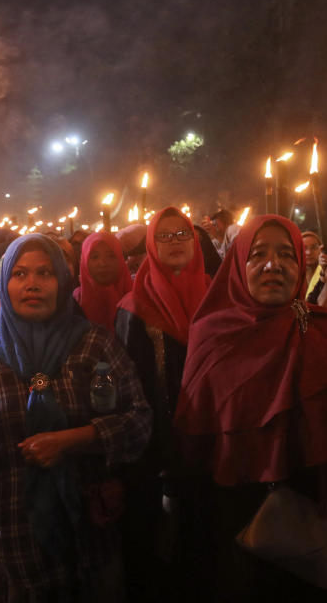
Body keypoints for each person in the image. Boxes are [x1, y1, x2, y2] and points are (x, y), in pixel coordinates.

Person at [173, 215, 327, 600]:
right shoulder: (212, 335)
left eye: (287, 255)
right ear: (237, 267)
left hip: (311, 521)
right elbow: (194, 443)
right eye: (258, 254)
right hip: (233, 518)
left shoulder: (325, 329)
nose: (273, 265)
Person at [0, 234, 152, 600]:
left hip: (87, 537)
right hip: (9, 539)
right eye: (20, 273)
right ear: (3, 284)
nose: (32, 283)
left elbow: (137, 421)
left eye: (45, 272)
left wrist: (74, 439)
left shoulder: (95, 345)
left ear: (62, 281)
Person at [115, 207, 212, 601]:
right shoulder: (133, 305)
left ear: (195, 241)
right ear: (151, 246)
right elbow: (127, 385)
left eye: (182, 235)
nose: (174, 243)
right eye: (164, 236)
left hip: (212, 440)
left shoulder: (216, 296)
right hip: (157, 446)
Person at [74, 232, 132, 330]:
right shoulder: (75, 302)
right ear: (84, 262)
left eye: (111, 256)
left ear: (120, 259)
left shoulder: (137, 298)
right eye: (94, 257)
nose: (102, 263)